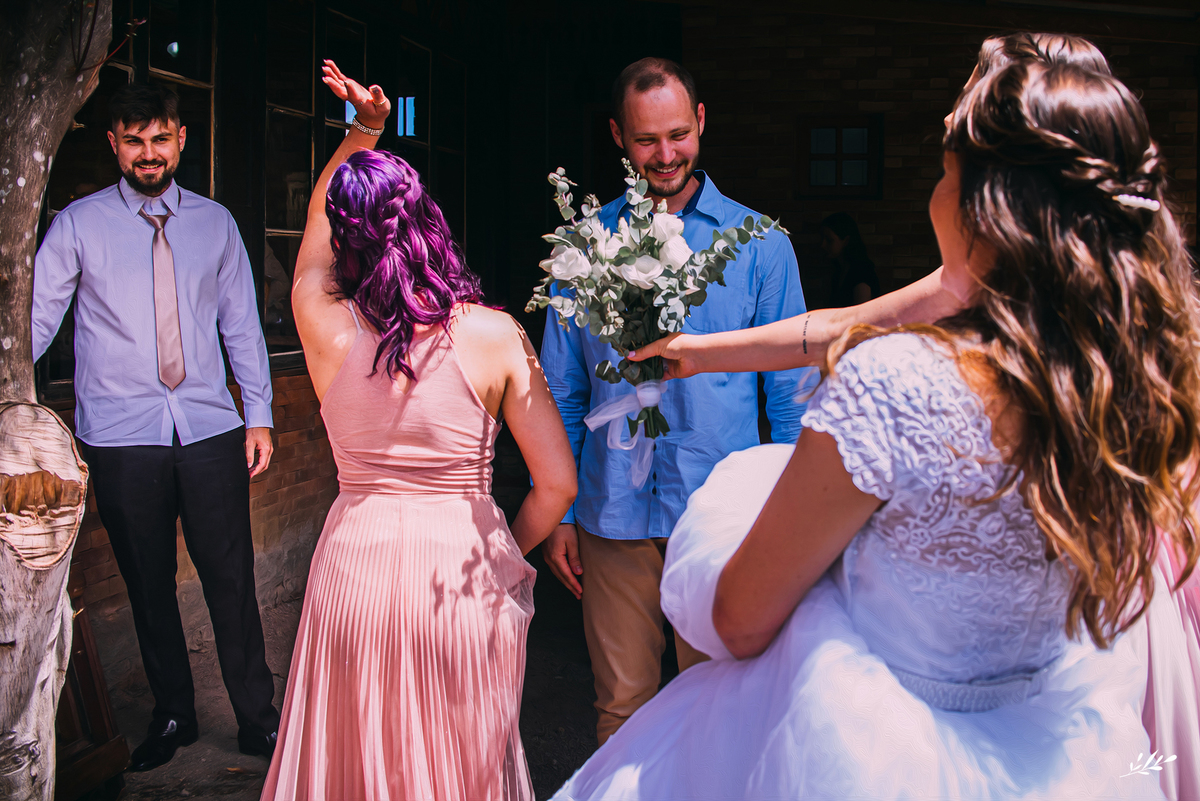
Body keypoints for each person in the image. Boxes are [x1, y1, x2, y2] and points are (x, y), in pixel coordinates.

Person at [553, 56, 1200, 801]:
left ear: (982, 209)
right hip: (1056, 740)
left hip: (887, 749)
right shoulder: (1137, 386)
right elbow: (834, 324)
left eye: (944, 170)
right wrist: (698, 353)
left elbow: (739, 620)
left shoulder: (892, 384)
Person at [260, 61, 577, 800]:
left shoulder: (321, 322)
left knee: (354, 761)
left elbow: (312, 227)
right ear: (429, 223)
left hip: (353, 570)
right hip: (457, 572)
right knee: (456, 766)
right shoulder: (496, 336)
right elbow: (557, 481)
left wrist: (361, 132)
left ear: (347, 239)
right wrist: (502, 549)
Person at [538, 56, 816, 746]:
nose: (665, 155)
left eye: (676, 135)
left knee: (726, 708)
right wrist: (563, 512)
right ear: (616, 137)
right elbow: (562, 393)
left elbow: (790, 398)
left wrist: (787, 521)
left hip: (725, 516)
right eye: (644, 140)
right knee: (622, 711)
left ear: (700, 121)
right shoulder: (581, 248)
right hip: (612, 513)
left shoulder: (761, 248)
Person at [31, 83, 279, 770]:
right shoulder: (77, 225)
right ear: (113, 143)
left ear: (181, 139)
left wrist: (256, 413)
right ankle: (175, 712)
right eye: (134, 140)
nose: (148, 152)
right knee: (147, 582)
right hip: (120, 434)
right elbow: (35, 321)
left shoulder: (214, 224)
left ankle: (258, 717)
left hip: (207, 428)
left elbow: (242, 326)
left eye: (160, 137)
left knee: (230, 577)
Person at [630, 31, 1112, 376]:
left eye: (964, 100)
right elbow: (840, 325)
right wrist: (700, 352)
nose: (947, 115)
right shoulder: (968, 277)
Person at [820, 211, 880, 307]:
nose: (823, 245)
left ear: (846, 240)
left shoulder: (861, 272)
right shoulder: (838, 269)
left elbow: (861, 313)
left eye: (829, 240)